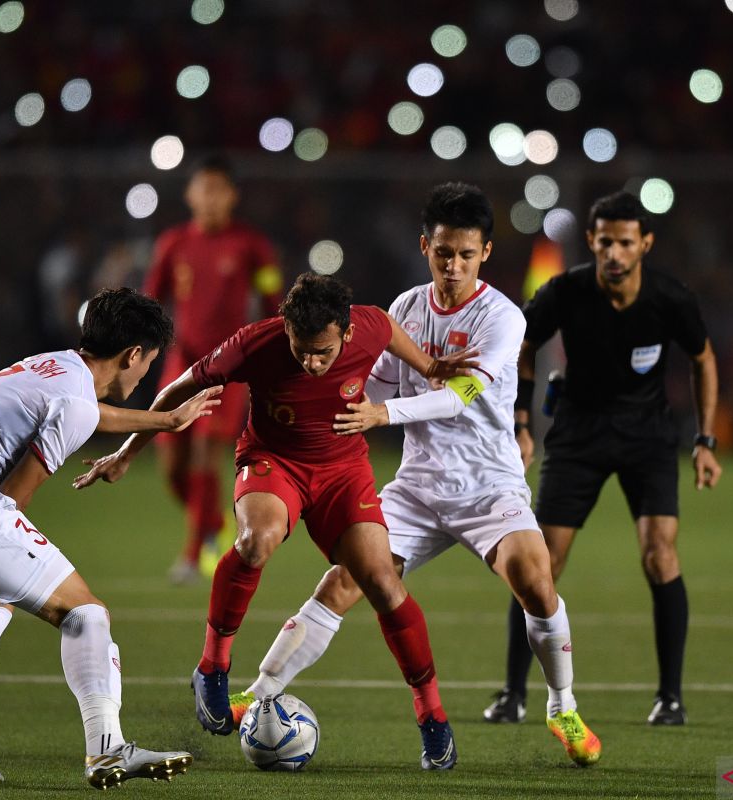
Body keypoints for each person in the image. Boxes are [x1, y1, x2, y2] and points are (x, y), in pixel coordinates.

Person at [223, 182, 602, 767]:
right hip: (418, 486)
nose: (453, 265)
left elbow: (459, 396)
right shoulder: (403, 310)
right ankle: (261, 690)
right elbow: (368, 387)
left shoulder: (501, 318)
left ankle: (562, 705)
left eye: (466, 255)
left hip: (489, 485)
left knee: (535, 576)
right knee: (344, 582)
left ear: (486, 254)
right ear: (426, 246)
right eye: (443, 252)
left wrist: (382, 413)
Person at [74, 272, 476, 770]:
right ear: (285, 326)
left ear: (346, 333)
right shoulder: (255, 343)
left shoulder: (368, 326)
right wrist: (127, 453)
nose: (309, 361)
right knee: (256, 540)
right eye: (300, 347)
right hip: (274, 462)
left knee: (382, 582)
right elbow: (178, 387)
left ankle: (432, 716)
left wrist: (430, 365)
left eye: (322, 352)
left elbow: (390, 328)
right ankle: (213, 667)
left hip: (343, 470)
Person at [0, 288, 221, 788]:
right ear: (132, 355)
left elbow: (89, 412)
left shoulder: (53, 366)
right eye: (149, 362)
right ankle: (107, 750)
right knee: (85, 612)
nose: (147, 374)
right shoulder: (75, 401)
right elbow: (15, 495)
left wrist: (163, 421)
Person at [488, 190, 722, 727]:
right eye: (604, 241)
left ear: (645, 244)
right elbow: (520, 348)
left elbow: (703, 359)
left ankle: (670, 698)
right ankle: (513, 693)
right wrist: (522, 422)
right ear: (591, 241)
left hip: (648, 438)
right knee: (539, 562)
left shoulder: (670, 298)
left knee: (660, 557)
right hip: (579, 436)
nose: (614, 252)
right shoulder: (565, 292)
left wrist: (705, 441)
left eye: (624, 241)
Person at [142, 155, 284, 584]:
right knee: (171, 465)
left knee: (206, 454)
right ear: (189, 194)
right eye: (203, 189)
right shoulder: (173, 244)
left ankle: (193, 555)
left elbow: (273, 302)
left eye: (218, 189)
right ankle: (217, 525)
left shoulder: (251, 246)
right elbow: (152, 300)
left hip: (229, 366)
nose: (210, 198)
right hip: (181, 363)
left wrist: (273, 355)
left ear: (232, 196)